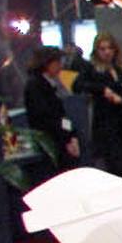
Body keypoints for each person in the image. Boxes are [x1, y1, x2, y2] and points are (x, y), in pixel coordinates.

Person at [70, 31, 122, 178]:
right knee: (115, 162)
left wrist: (121, 99)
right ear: (97, 51)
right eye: (102, 49)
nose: (107, 52)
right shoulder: (92, 69)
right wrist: (102, 90)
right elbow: (77, 85)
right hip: (105, 122)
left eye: (109, 48)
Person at [21, 45, 80, 184]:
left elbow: (61, 115)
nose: (60, 66)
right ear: (47, 63)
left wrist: (71, 134)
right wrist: (67, 137)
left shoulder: (50, 84)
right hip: (50, 143)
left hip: (60, 139)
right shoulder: (35, 86)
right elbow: (48, 117)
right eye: (57, 62)